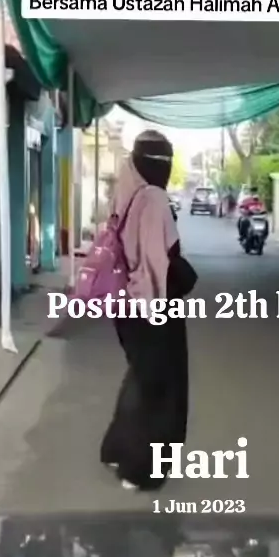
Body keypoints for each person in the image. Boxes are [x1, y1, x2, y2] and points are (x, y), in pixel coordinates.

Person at [100, 130, 197, 492]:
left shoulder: (126, 190)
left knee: (141, 376)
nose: (167, 169)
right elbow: (163, 261)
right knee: (161, 388)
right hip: (153, 304)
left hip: (124, 303)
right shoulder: (155, 198)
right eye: (163, 161)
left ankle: (115, 449)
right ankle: (139, 469)